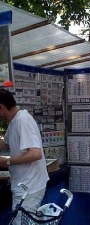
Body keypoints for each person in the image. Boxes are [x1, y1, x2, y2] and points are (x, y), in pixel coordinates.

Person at [0, 89, 49, 225]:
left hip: (29, 186)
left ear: (1, 107)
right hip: (24, 184)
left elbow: (36, 153)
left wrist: (8, 161)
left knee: (21, 223)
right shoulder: (15, 120)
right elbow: (5, 143)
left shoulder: (23, 120)